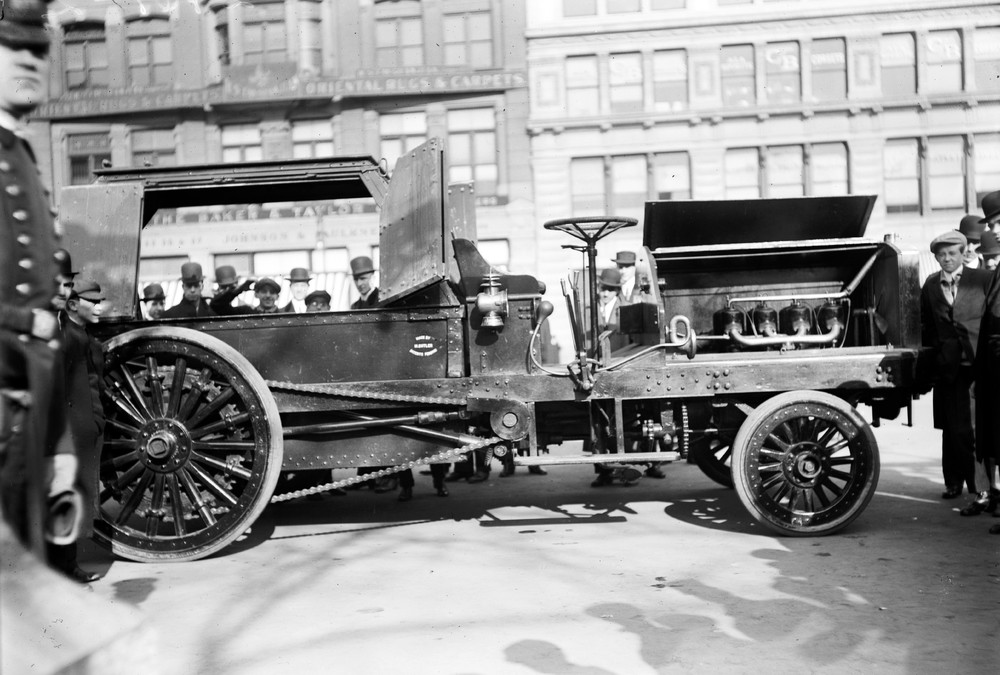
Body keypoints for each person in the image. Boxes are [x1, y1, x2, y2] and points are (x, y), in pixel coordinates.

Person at [0, 0, 76, 560]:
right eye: (12, 50)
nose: (28, 62)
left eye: (37, 52)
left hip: (29, 388)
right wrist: (27, 321)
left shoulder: (19, 149)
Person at [918, 230, 992, 502]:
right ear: (935, 258)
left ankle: (980, 489)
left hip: (978, 365)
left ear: (963, 254)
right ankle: (953, 482)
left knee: (975, 429)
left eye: (952, 254)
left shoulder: (983, 279)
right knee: (951, 428)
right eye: (941, 255)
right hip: (948, 368)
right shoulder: (930, 285)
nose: (946, 259)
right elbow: (926, 325)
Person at [51, 280, 105, 583]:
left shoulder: (80, 336)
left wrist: (95, 420)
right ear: (74, 305)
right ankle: (62, 570)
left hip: (82, 428)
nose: (100, 307)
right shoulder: (65, 337)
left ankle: (66, 567)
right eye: (93, 302)